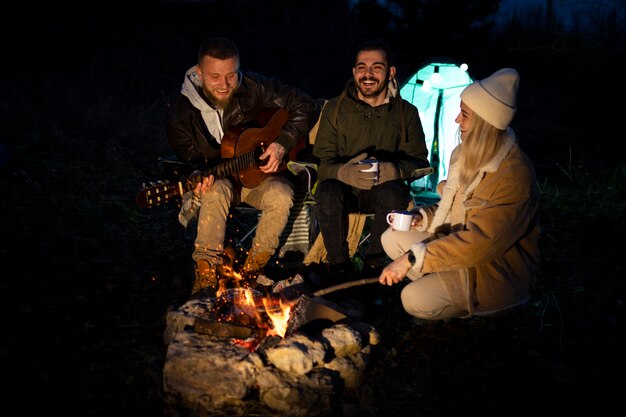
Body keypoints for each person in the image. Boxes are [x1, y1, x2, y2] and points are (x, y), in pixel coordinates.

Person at [378, 68, 541, 320]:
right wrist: (422, 218)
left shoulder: (514, 174)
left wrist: (411, 259)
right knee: (391, 237)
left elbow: (481, 244)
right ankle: (438, 277)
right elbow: (451, 208)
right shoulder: (464, 154)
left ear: (485, 123)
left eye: (464, 114)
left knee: (411, 298)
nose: (456, 120)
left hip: (489, 271)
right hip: (459, 248)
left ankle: (471, 305)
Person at [165, 37, 320, 297]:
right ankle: (206, 275)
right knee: (215, 190)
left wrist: (282, 143)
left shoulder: (254, 86)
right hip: (221, 182)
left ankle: (252, 272)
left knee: (282, 194)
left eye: (231, 75)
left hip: (260, 178)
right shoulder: (180, 114)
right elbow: (190, 162)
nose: (225, 85)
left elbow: (305, 104)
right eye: (215, 76)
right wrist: (194, 175)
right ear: (199, 73)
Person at [311, 39, 430, 280]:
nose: (368, 74)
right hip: (343, 191)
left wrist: (394, 170)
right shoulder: (335, 109)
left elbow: (419, 161)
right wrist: (342, 172)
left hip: (381, 192)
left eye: (376, 67)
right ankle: (338, 267)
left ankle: (373, 270)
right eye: (362, 67)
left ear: (390, 72)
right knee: (326, 191)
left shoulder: (406, 113)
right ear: (354, 71)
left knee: (393, 192)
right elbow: (321, 163)